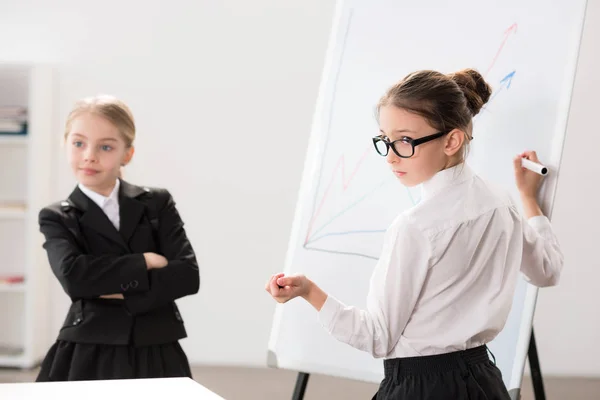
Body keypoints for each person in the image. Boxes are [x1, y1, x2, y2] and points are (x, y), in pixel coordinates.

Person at [265, 69, 563, 399]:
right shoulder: (502, 202)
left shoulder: (416, 227)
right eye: (385, 140)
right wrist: (529, 200)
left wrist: (309, 291)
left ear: (452, 140)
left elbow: (377, 337)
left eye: (405, 141)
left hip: (421, 388)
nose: (391, 156)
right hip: (483, 383)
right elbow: (547, 271)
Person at [36, 95, 200, 381]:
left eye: (106, 146)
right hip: (88, 345)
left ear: (127, 154)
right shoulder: (57, 216)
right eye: (78, 143)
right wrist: (144, 261)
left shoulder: (156, 203)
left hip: (156, 343)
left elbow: (187, 275)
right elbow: (74, 278)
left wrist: (107, 286)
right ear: (66, 146)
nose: (89, 155)